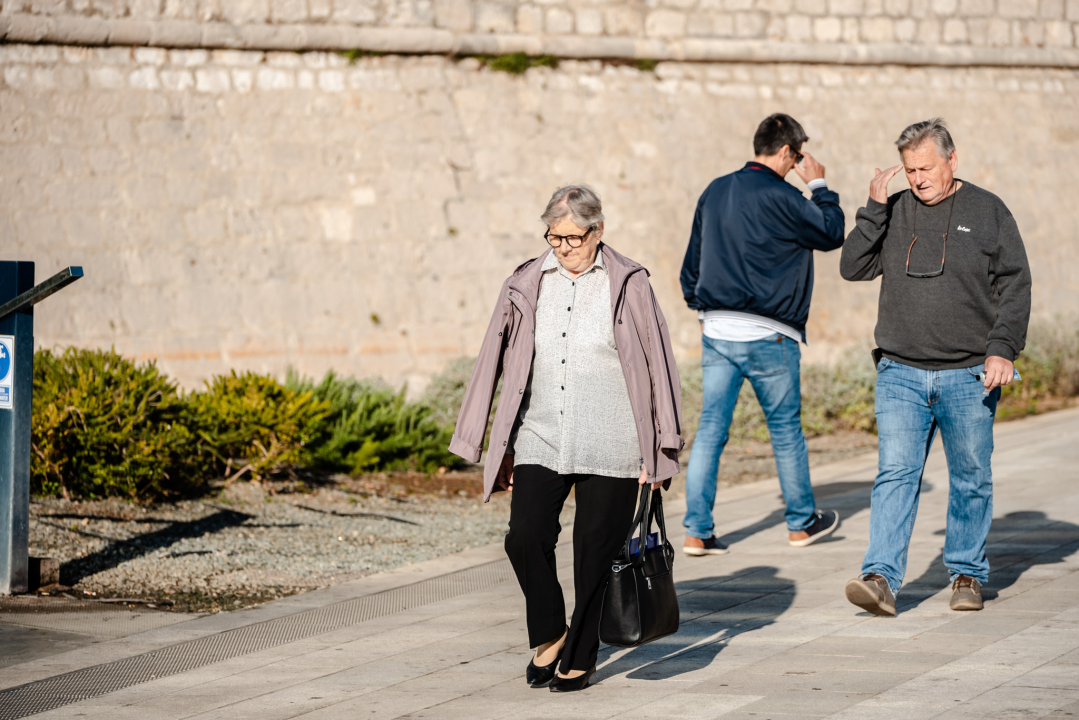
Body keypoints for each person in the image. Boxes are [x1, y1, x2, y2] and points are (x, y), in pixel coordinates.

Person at [449, 185, 684, 692]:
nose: (563, 248)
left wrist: (661, 449)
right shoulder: (526, 281)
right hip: (541, 433)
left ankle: (581, 653)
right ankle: (551, 631)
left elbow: (659, 366)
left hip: (615, 437)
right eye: (554, 237)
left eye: (573, 238)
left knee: (594, 550)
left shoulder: (629, 282)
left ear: (598, 232)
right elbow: (494, 358)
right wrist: (489, 441)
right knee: (525, 537)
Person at [840, 118, 1031, 616]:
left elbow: (1015, 283)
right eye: (909, 171)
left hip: (969, 375)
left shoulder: (988, 210)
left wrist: (1002, 349)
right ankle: (879, 577)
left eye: (926, 168)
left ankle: (967, 574)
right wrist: (874, 210)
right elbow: (852, 266)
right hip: (900, 371)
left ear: (952, 159)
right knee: (895, 474)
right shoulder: (895, 209)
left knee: (970, 476)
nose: (918, 178)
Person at [679, 113, 845, 556]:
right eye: (796, 158)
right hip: (771, 333)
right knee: (786, 431)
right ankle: (800, 524)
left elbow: (691, 265)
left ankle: (696, 531)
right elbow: (832, 233)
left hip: (717, 330)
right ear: (790, 151)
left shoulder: (715, 190)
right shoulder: (788, 197)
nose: (797, 166)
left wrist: (704, 308)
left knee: (710, 430)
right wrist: (820, 187)